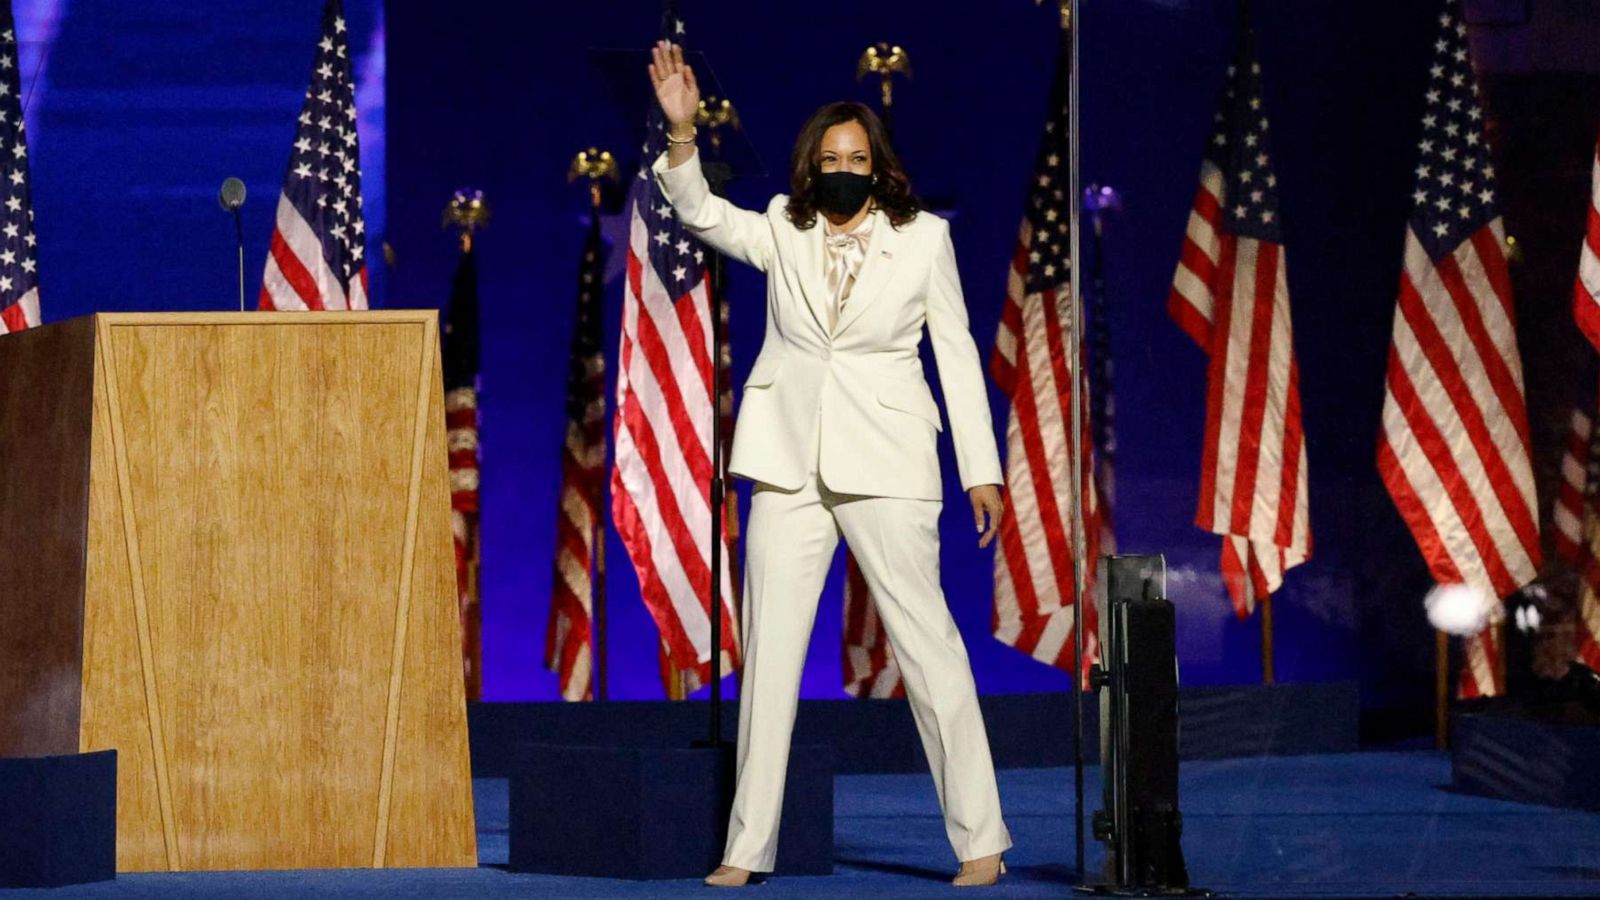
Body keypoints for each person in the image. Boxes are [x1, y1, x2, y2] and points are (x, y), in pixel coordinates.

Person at [647, 40, 1012, 889]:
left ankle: (982, 840)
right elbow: (704, 214)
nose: (844, 168)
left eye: (858, 157)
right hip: (787, 464)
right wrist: (681, 135)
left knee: (930, 651)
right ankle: (746, 847)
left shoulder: (924, 242)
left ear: (880, 167)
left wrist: (980, 470)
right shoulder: (782, 225)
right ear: (811, 166)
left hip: (888, 460)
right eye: (830, 157)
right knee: (769, 657)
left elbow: (956, 355)